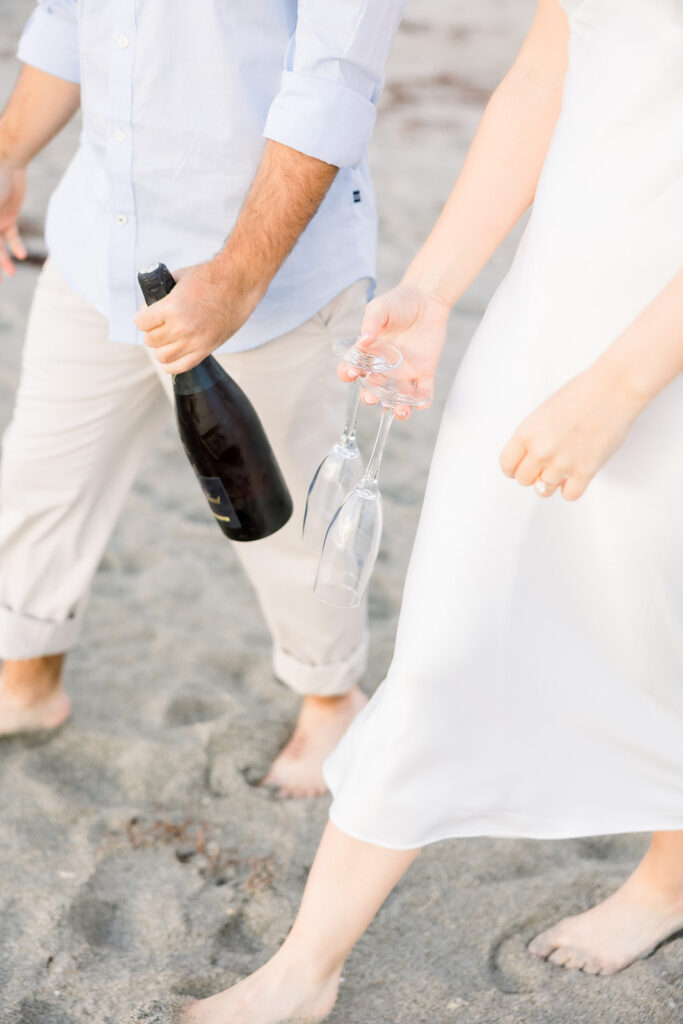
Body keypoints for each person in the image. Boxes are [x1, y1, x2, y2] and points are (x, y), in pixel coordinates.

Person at [136, 0, 681, 1020]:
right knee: (448, 625)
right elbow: (543, 70)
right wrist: (433, 289)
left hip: (656, 357)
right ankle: (305, 968)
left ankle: (664, 877)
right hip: (552, 313)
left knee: (666, 626)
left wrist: (618, 387)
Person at [0, 0, 407, 797]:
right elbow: (65, 16)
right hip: (98, 243)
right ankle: (27, 679)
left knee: (281, 517)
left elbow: (332, 82)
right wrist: (10, 151)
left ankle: (330, 696)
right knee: (43, 478)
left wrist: (237, 277)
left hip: (265, 272)